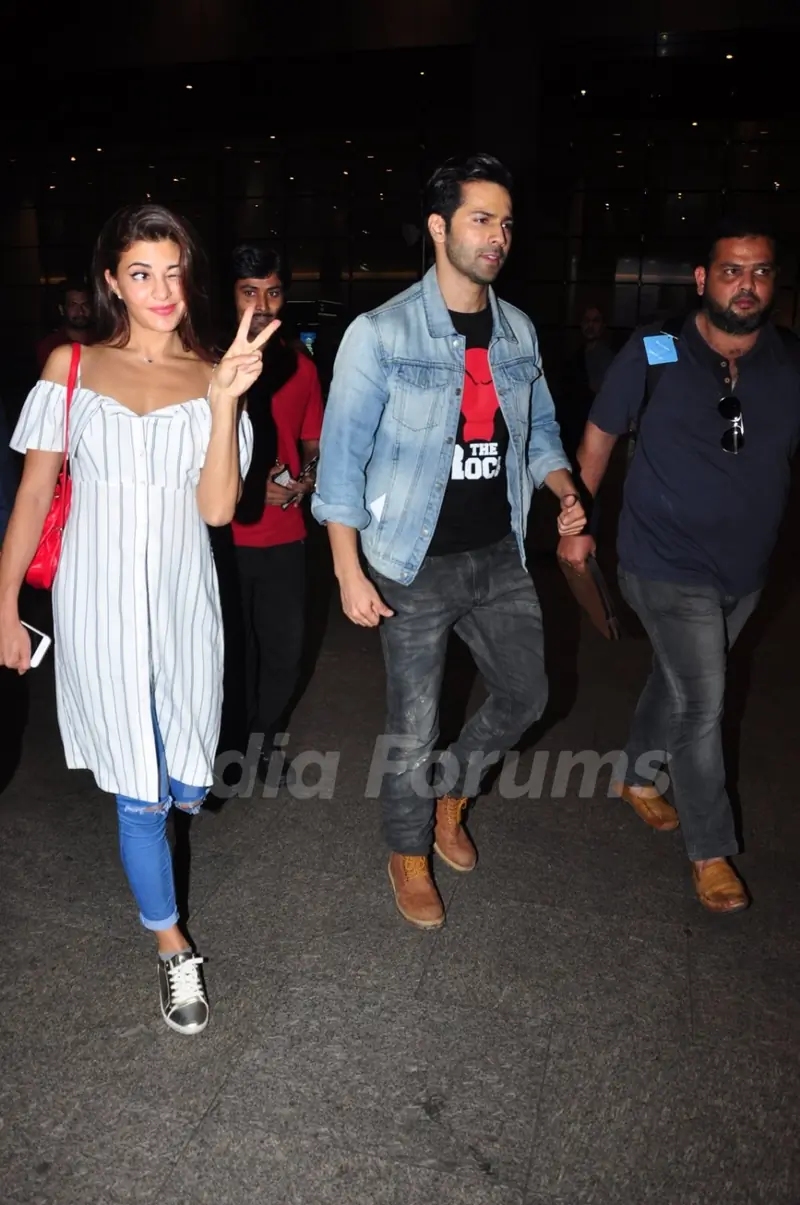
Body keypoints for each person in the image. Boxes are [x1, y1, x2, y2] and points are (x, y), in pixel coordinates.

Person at [0, 203, 279, 1032]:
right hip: (99, 603)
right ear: (113, 281)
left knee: (185, 780)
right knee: (139, 794)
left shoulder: (211, 372)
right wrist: (3, 603)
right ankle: (171, 947)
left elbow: (221, 508)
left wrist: (226, 398)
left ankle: (163, 864)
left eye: (172, 270)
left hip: (185, 602)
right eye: (140, 273)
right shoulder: (71, 367)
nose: (160, 289)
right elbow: (33, 497)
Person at [312, 153, 586, 929]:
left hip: (498, 551)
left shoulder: (519, 332)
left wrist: (564, 491)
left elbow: (541, 436)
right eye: (479, 219)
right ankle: (408, 849)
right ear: (438, 227)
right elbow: (339, 468)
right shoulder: (380, 335)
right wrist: (347, 571)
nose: (497, 236)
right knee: (414, 725)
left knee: (530, 692)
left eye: (504, 222)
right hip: (412, 560)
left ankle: (448, 795)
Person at [558, 218, 800, 915]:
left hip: (746, 569)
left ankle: (634, 775)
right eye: (731, 270)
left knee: (681, 678)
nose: (745, 285)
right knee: (703, 699)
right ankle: (710, 850)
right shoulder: (655, 349)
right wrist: (577, 521)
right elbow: (599, 437)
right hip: (661, 561)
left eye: (759, 271)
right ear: (702, 279)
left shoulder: (787, 363)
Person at [228, 245, 323, 784]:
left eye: (273, 291)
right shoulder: (213, 364)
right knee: (234, 653)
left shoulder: (302, 367)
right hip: (226, 536)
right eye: (249, 292)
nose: (262, 304)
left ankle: (263, 746)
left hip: (286, 534)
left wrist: (308, 475)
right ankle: (231, 749)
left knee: (285, 654)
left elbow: (311, 439)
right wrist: (244, 486)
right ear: (231, 298)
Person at [557, 305, 615, 461]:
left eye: (595, 321)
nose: (590, 325)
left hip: (591, 430)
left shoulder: (606, 358)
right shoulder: (576, 354)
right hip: (573, 429)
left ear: (603, 326)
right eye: (587, 320)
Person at [36, 280, 94, 371]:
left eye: (85, 305)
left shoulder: (104, 340)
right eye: (73, 305)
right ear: (62, 309)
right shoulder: (50, 345)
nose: (80, 312)